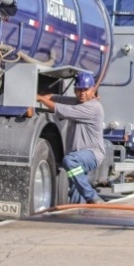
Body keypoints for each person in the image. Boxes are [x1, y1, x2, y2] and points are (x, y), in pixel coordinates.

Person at [36, 71, 106, 204]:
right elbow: (54, 98)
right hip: (77, 154)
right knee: (76, 188)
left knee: (70, 161)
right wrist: (40, 96)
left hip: (92, 154)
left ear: (93, 90)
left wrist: (40, 98)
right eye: (79, 90)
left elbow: (59, 108)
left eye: (86, 90)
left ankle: (92, 196)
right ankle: (77, 215)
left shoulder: (93, 107)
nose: (82, 93)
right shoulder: (76, 102)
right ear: (74, 90)